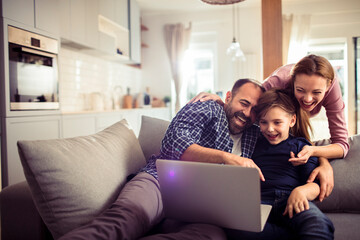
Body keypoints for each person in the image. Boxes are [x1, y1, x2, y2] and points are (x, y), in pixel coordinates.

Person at [59, 78, 266, 240]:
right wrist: (225, 158)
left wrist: (301, 150)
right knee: (125, 221)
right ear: (228, 97)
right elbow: (175, 144)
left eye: (255, 110)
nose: (247, 113)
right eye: (243, 103)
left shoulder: (256, 132)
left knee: (213, 236)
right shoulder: (208, 107)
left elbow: (284, 113)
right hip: (160, 181)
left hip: (201, 207)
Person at [191, 54, 346, 201]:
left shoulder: (331, 87)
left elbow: (342, 144)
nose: (308, 98)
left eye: (317, 92)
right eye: (300, 90)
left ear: (328, 85)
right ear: (292, 83)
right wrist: (224, 104)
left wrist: (321, 159)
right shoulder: (276, 83)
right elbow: (246, 110)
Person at [226, 88, 334, 240]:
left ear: (292, 121)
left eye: (277, 122)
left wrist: (301, 191)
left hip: (291, 201)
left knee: (319, 224)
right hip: (258, 203)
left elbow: (316, 185)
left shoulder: (301, 146)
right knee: (234, 226)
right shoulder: (252, 143)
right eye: (264, 122)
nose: (270, 129)